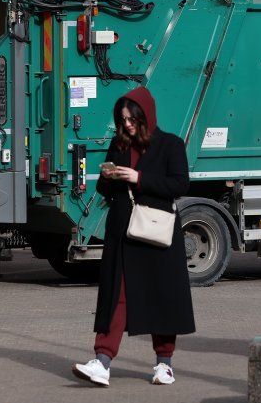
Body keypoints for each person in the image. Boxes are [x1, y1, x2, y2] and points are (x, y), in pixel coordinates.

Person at [72, 87, 194, 387]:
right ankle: (102, 361)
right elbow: (104, 190)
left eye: (132, 118)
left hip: (156, 233)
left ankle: (164, 364)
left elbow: (179, 184)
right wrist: (109, 177)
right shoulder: (119, 144)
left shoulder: (171, 144)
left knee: (161, 296)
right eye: (123, 119)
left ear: (146, 115)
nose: (127, 124)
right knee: (117, 296)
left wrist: (138, 178)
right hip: (123, 235)